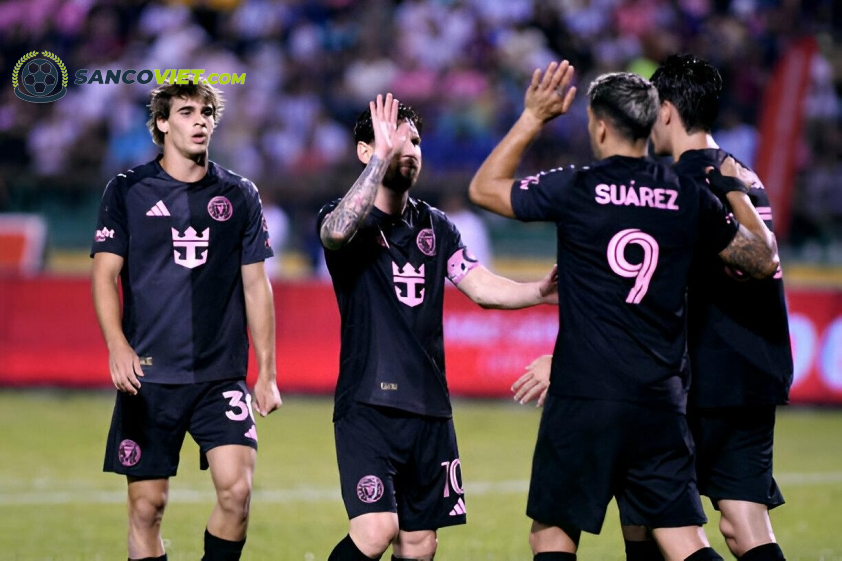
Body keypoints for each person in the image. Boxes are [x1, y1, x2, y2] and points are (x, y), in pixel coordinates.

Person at [469, 61, 778, 561]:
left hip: (584, 392)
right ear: (654, 120)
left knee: (552, 535)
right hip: (660, 399)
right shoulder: (687, 194)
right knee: (681, 539)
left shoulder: (577, 186)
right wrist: (736, 190)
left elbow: (484, 189)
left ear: (599, 124)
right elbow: (762, 260)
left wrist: (532, 118)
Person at [317, 93, 558, 561]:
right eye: (395, 141)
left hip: (429, 405)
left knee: (421, 543)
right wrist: (380, 159)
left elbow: (482, 287)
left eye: (416, 142)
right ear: (366, 152)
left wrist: (538, 292)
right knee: (375, 531)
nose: (409, 149)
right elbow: (334, 234)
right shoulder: (347, 218)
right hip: (368, 403)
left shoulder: (436, 226)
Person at [91, 76, 282, 561]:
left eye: (206, 113)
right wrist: (117, 346)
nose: (199, 122)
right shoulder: (128, 190)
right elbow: (104, 275)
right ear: (161, 123)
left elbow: (257, 286)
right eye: (186, 112)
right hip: (150, 376)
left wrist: (267, 372)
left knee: (236, 493)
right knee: (147, 507)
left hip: (219, 376)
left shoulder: (239, 194)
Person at [645, 54, 794, 561]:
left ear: (666, 110)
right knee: (743, 523)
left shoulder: (682, 183)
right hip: (756, 367)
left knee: (655, 516)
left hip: (704, 373)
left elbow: (671, 286)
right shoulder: (740, 172)